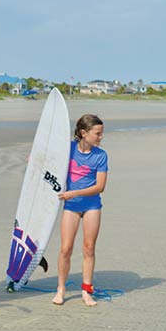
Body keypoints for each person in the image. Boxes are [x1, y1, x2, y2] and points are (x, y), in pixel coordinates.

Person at [52, 114, 108, 307]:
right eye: (98, 133)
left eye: (101, 133)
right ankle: (61, 289)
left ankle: (86, 291)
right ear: (84, 133)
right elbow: (49, 159)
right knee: (66, 248)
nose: (101, 137)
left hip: (92, 205)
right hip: (71, 206)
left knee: (89, 248)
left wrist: (74, 192)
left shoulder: (100, 156)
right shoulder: (67, 149)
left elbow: (100, 186)